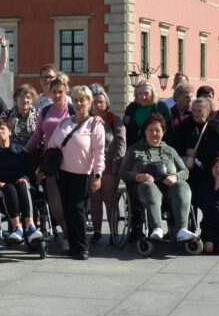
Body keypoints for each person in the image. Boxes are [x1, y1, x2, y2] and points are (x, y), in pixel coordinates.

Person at [42, 85, 104, 259]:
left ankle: (82, 247)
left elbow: (100, 153)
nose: (78, 103)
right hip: (62, 172)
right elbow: (53, 144)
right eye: (76, 100)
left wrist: (97, 175)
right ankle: (74, 246)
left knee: (77, 210)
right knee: (68, 210)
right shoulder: (65, 122)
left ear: (90, 102)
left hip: (82, 174)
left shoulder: (95, 125)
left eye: (82, 100)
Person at [119, 114, 197, 244]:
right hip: (145, 190)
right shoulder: (134, 150)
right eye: (150, 130)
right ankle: (156, 228)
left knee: (183, 185)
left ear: (163, 132)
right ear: (145, 131)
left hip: (170, 190)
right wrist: (138, 177)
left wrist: (175, 176)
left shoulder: (170, 150)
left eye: (157, 130)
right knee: (149, 186)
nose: (154, 134)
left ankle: (182, 230)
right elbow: (123, 172)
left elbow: (185, 171)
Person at [0, 119, 42, 244]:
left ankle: (30, 227)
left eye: (3, 129)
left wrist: (27, 178)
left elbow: (30, 171)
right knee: (8, 187)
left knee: (21, 185)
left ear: (10, 132)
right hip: (1, 186)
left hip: (22, 185)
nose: (0, 132)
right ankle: (17, 228)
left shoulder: (21, 150)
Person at [27, 77, 75, 232]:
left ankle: (69, 235)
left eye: (60, 92)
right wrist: (23, 152)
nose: (57, 95)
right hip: (51, 161)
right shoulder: (45, 111)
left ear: (66, 92)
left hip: (71, 161)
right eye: (54, 92)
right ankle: (67, 230)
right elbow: (36, 136)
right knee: (54, 203)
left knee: (69, 201)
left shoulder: (73, 110)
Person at [172, 97, 219, 203]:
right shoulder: (184, 125)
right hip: (190, 172)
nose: (195, 113)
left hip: (209, 171)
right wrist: (186, 151)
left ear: (207, 111)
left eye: (199, 110)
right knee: (190, 202)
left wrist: (218, 164)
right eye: (193, 110)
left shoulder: (216, 127)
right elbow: (174, 147)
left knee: (209, 202)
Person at [89, 86, 125, 245]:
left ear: (106, 103)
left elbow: (121, 143)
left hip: (110, 166)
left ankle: (113, 232)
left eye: (101, 101)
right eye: (95, 102)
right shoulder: (88, 120)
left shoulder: (114, 119)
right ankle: (97, 232)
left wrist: (117, 162)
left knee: (110, 200)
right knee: (94, 199)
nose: (98, 105)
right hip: (91, 168)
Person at [5, 84, 39, 148]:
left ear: (32, 100)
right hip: (11, 153)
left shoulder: (38, 117)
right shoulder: (7, 114)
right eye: (21, 96)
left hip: (31, 153)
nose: (25, 100)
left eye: (28, 97)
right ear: (16, 98)